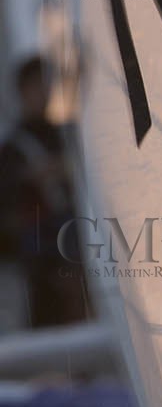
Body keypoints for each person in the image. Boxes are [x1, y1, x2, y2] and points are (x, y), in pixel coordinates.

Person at [0, 57, 88, 328]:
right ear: (24, 90)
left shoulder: (67, 134)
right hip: (42, 262)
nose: (47, 92)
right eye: (39, 85)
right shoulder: (13, 149)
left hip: (81, 247)